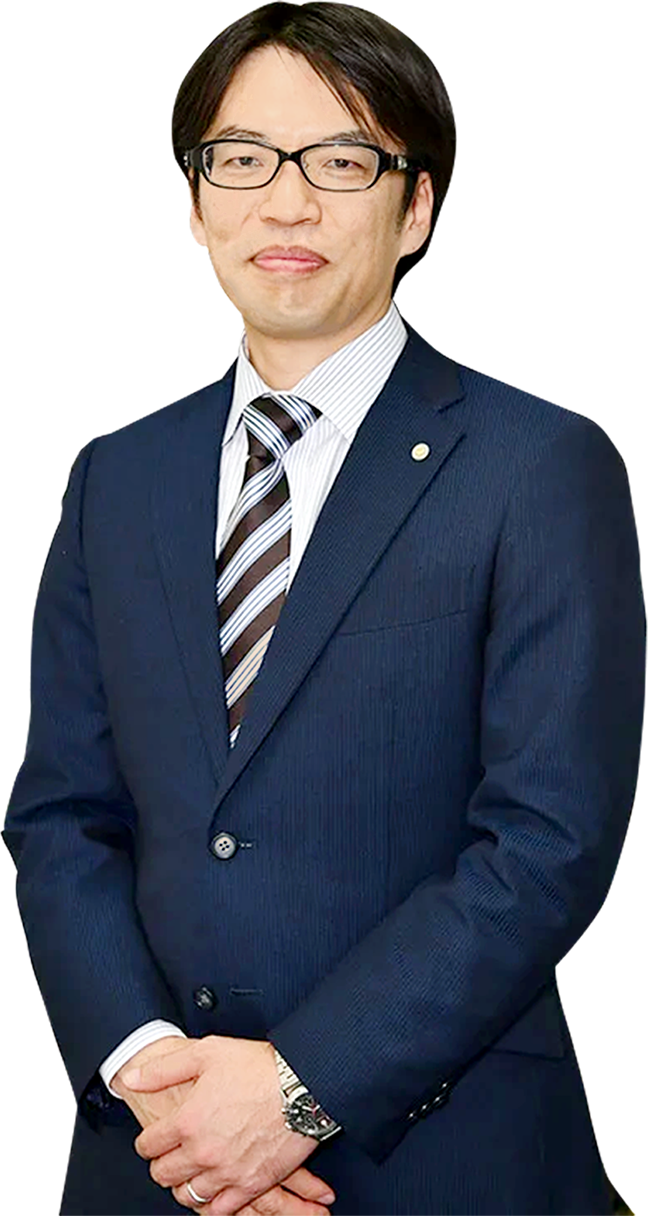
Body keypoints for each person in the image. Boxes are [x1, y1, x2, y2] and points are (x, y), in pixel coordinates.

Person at [2, 2, 645, 1214]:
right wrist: (150, 1074)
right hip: (157, 1162)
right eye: (241, 159)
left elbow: (548, 840)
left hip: (441, 1160)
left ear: (418, 207)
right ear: (197, 199)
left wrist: (297, 1092)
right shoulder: (116, 475)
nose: (285, 204)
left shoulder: (539, 464)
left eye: (341, 162)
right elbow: (61, 815)